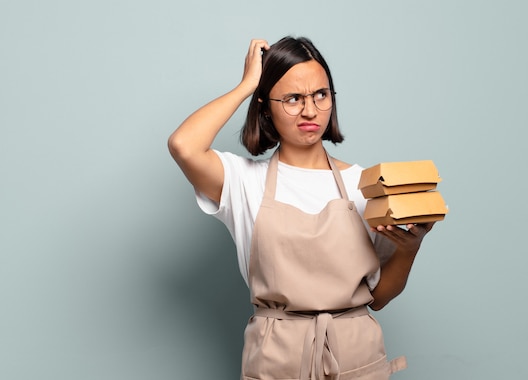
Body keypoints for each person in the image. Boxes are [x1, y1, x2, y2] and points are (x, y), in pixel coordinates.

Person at [168, 36, 435, 380]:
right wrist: (248, 84)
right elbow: (183, 145)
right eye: (293, 98)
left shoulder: (362, 184)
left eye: (320, 95)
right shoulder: (242, 181)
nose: (310, 111)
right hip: (276, 355)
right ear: (265, 106)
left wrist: (411, 246)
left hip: (356, 353)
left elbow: (379, 296)